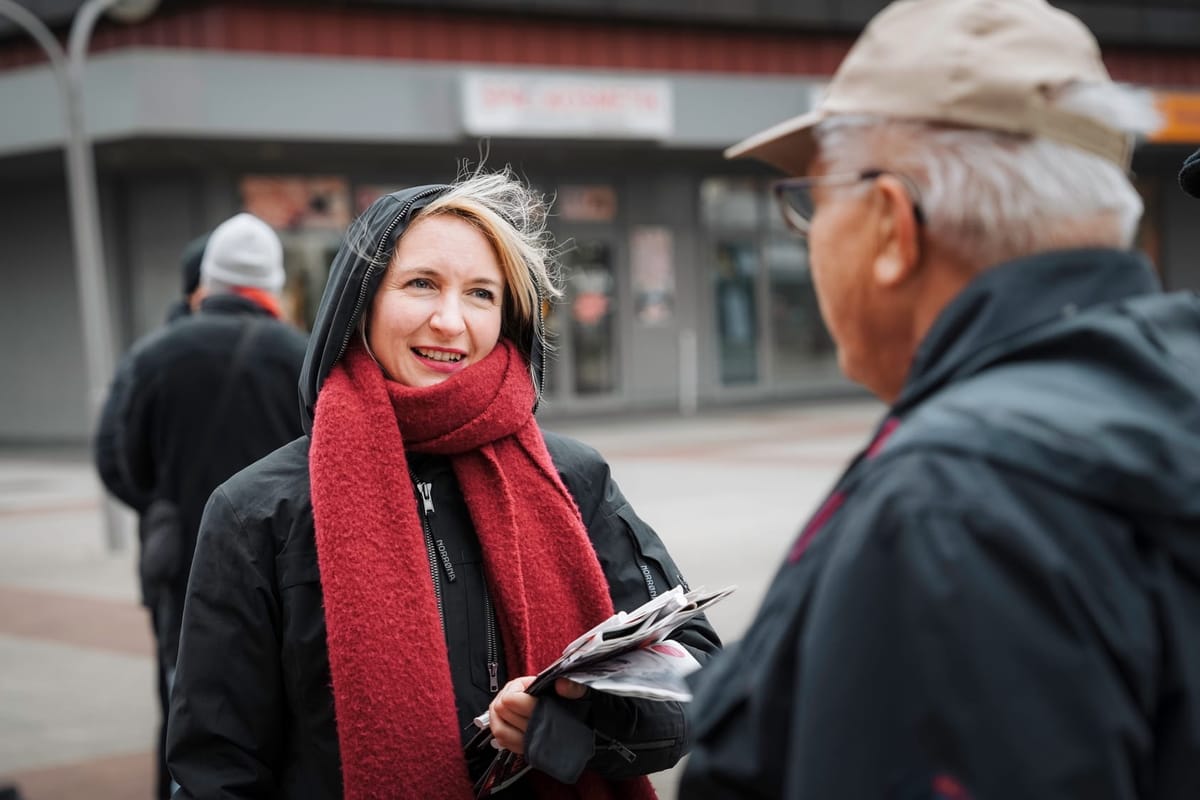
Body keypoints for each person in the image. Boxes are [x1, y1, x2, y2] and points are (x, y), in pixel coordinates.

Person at [681, 0, 1200, 797]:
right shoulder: (1166, 390)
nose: (812, 235)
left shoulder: (952, 508)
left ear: (893, 225)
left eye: (814, 203)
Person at [165, 170, 721, 799]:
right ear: (361, 301)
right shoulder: (257, 512)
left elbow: (696, 672)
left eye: (481, 293)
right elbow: (216, 771)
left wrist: (584, 715)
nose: (451, 321)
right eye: (421, 284)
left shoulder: (573, 478)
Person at [94, 212, 308, 800]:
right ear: (273, 285)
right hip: (290, 568)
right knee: (285, 700)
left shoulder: (153, 355)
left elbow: (116, 459)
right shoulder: (305, 360)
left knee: (187, 699)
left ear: (206, 283)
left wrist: (166, 503)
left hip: (181, 560)